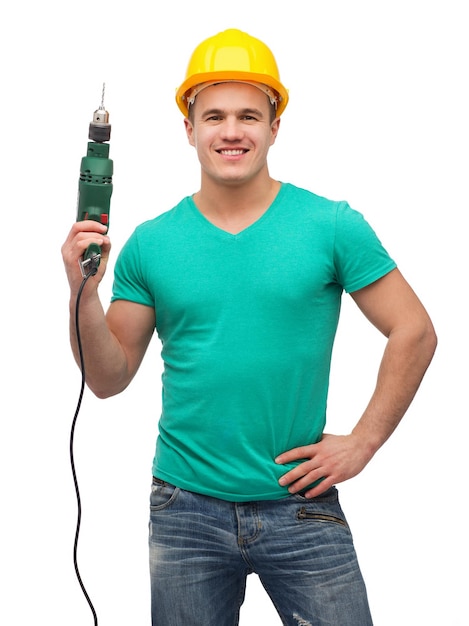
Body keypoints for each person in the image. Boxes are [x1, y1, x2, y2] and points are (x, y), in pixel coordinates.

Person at [62, 28, 437, 626]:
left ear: (274, 125)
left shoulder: (331, 225)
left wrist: (363, 441)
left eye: (248, 115)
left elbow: (414, 330)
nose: (231, 131)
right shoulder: (152, 243)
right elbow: (107, 379)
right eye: (213, 116)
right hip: (185, 510)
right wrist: (81, 289)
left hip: (300, 505)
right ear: (189, 129)